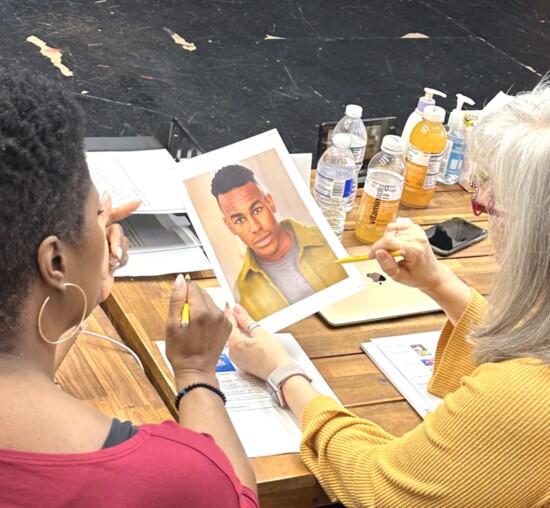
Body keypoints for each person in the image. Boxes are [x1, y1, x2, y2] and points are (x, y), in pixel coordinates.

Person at [226, 82, 550, 507]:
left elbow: (378, 488)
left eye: (492, 205)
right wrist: (440, 283)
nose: (482, 205)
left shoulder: (522, 399)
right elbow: (529, 345)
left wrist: (283, 375)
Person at [0, 70, 258, 507]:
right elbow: (233, 495)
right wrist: (196, 372)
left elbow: (21, 370)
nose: (104, 230)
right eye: (92, 218)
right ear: (55, 261)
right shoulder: (159, 480)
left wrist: (80, 294)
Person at [211, 164, 347, 320]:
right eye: (240, 220)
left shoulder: (327, 240)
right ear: (230, 226)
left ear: (271, 203)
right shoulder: (241, 295)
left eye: (257, 210)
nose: (255, 227)